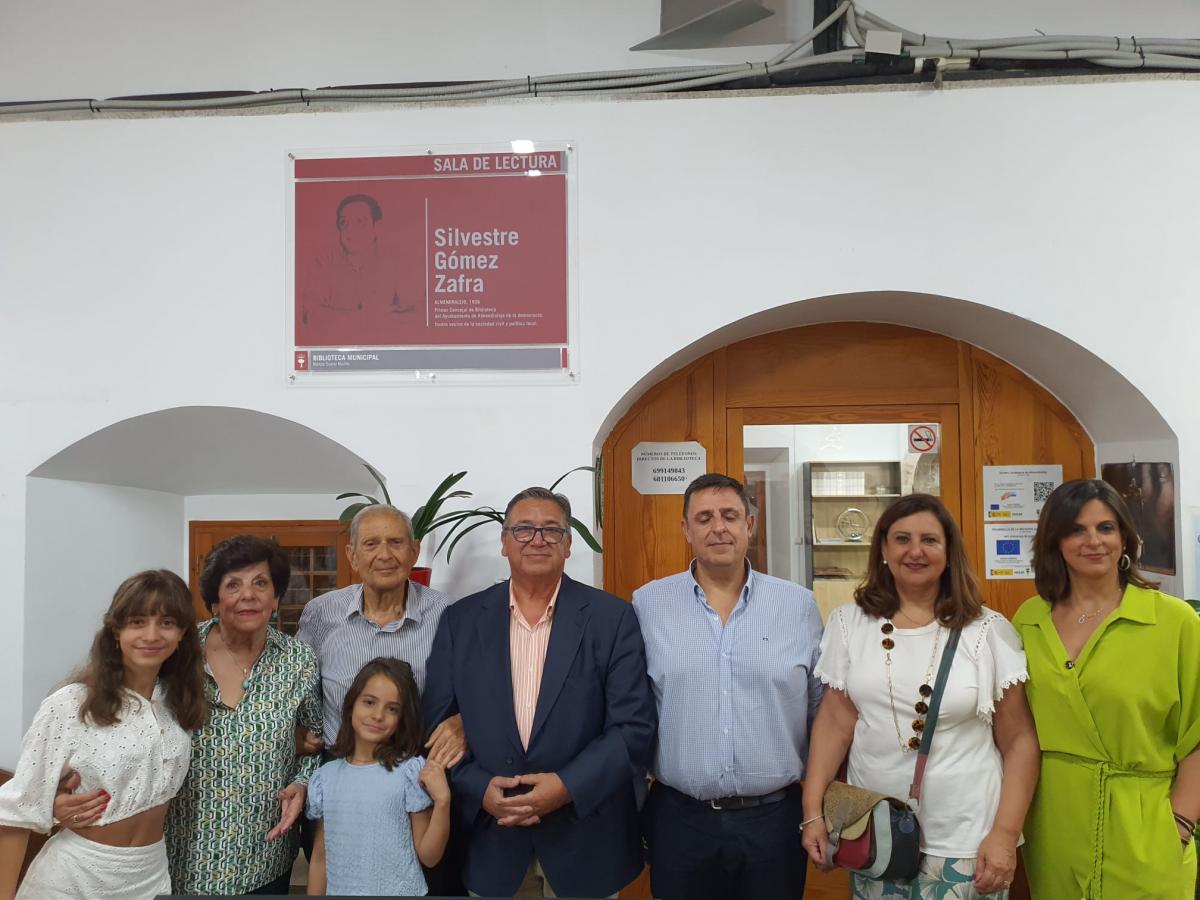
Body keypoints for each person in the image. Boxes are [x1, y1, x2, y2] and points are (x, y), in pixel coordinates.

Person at [802, 493, 1040, 900]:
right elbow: (835, 722)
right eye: (902, 539)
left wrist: (1004, 834)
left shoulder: (986, 631)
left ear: (949, 552)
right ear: (883, 549)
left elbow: (1019, 741)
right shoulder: (849, 623)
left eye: (930, 540)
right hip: (873, 834)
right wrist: (812, 814)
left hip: (967, 841)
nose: (915, 551)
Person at [423, 486, 657, 898]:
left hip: (585, 834)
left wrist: (566, 786)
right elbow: (437, 725)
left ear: (568, 545)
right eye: (524, 530)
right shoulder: (460, 621)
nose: (537, 540)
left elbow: (633, 728)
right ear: (504, 542)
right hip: (488, 837)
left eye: (551, 530)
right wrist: (479, 788)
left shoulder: (612, 618)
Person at [632, 472, 824, 900]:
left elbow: (821, 708)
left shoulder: (798, 605)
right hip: (680, 821)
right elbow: (632, 705)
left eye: (729, 516)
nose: (718, 527)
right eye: (703, 517)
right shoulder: (648, 604)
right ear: (686, 530)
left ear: (749, 525)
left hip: (775, 821)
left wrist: (816, 806)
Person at [1014, 478, 1200, 898]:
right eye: (1076, 529)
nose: (1093, 541)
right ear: (1054, 541)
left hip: (1145, 826)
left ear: (1125, 538)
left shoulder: (1174, 622)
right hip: (1054, 824)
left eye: (1106, 528)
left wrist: (1181, 824)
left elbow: (1198, 736)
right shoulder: (1028, 619)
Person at [0, 570, 206, 899]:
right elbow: (16, 809)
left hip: (150, 874)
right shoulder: (70, 704)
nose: (152, 635)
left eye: (166, 622)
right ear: (115, 630)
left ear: (182, 633)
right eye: (138, 621)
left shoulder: (178, 701)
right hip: (74, 876)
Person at [296, 504, 463, 763]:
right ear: (352, 555)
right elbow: (295, 688)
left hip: (419, 769)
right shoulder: (321, 612)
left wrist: (463, 722)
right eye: (371, 544)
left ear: (414, 551)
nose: (384, 555)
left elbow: (477, 689)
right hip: (337, 767)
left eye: (395, 542)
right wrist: (292, 732)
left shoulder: (450, 614)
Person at [306, 657, 451, 896]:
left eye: (392, 708)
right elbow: (320, 858)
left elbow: (430, 856)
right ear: (352, 704)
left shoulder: (408, 772)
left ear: (402, 718)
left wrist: (443, 801)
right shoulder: (326, 778)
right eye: (369, 702)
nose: (378, 715)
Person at [297, 193, 414, 347]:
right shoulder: (323, 264)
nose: (350, 229)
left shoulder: (399, 263)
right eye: (343, 223)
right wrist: (372, 318)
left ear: (376, 226)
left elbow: (414, 317)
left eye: (360, 222)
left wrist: (339, 318)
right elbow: (311, 316)